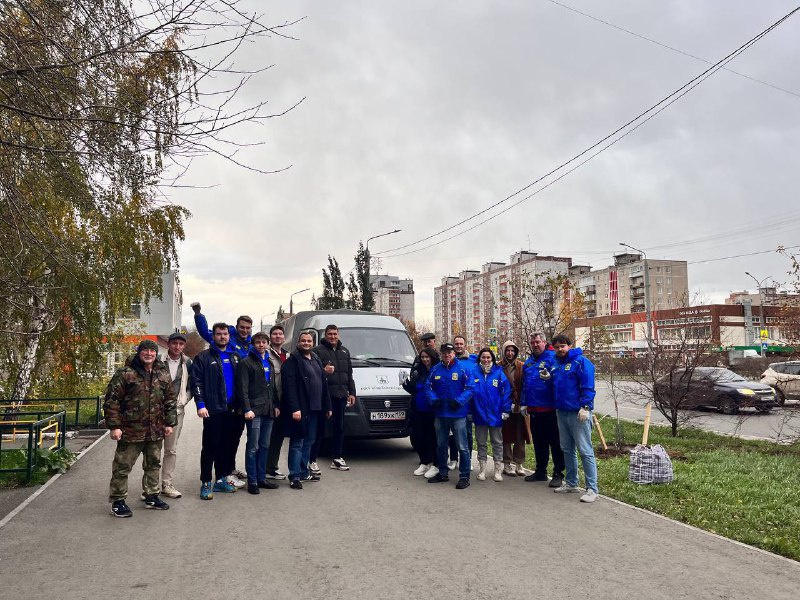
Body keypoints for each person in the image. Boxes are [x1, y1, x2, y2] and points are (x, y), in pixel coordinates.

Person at [104, 339, 177, 517]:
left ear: (155, 354)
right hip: (131, 430)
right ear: (139, 352)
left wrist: (169, 423)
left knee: (153, 464)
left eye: (152, 351)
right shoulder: (126, 373)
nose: (149, 354)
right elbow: (112, 401)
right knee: (122, 466)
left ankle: (151, 495)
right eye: (145, 351)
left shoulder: (162, 373)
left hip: (155, 430)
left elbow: (169, 400)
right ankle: (118, 500)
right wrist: (115, 426)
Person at [191, 302, 251, 485]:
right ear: (214, 336)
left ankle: (223, 477)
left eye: (225, 334)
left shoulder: (236, 355)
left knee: (228, 444)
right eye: (219, 334)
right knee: (210, 446)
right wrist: (201, 405)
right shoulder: (204, 357)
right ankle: (206, 482)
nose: (223, 336)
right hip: (213, 409)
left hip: (233, 409)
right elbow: (197, 382)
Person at [551, 334, 599, 503]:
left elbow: (588, 386)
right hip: (562, 412)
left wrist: (586, 407)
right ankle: (571, 482)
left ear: (569, 345)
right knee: (567, 449)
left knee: (585, 450)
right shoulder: (556, 364)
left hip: (578, 413)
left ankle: (592, 488)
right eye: (556, 347)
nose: (560, 349)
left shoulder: (581, 362)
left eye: (562, 346)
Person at [282, 331, 332, 489]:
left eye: (309, 341)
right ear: (298, 342)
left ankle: (304, 472)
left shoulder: (316, 359)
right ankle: (294, 475)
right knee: (297, 443)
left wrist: (328, 406)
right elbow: (289, 387)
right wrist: (295, 408)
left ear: (313, 343)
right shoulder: (293, 361)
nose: (306, 343)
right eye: (303, 341)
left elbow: (323, 384)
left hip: (316, 409)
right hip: (301, 410)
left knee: (309, 442)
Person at [236, 331, 280, 494]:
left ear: (268, 344)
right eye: (258, 342)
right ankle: (252, 481)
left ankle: (262, 478)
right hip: (253, 411)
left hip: (268, 410)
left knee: (264, 445)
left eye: (264, 342)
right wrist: (247, 409)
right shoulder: (246, 362)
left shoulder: (268, 361)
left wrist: (275, 405)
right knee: (253, 446)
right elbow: (243, 388)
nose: (261, 345)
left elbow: (273, 387)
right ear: (253, 345)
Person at [426, 342, 475, 489]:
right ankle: (443, 472)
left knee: (462, 446)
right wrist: (433, 400)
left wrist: (459, 401)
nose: (447, 355)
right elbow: (428, 387)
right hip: (441, 414)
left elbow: (470, 388)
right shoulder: (435, 369)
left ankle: (465, 476)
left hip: (458, 414)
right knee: (441, 445)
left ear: (454, 353)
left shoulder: (463, 369)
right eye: (445, 352)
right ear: (441, 354)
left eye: (450, 352)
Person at [521, 332, 564, 487]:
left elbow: (561, 379)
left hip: (550, 409)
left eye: (538, 342)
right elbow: (526, 385)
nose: (535, 345)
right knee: (539, 442)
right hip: (534, 410)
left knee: (555, 443)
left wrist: (551, 377)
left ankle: (558, 473)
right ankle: (541, 471)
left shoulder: (553, 357)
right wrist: (524, 403)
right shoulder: (529, 362)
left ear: (545, 342)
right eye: (533, 342)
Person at [311, 324, 357, 472]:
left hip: (341, 396)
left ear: (338, 335)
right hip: (325, 396)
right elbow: (312, 373)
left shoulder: (344, 351)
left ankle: (337, 457)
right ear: (325, 335)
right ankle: (312, 459)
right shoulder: (317, 351)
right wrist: (323, 371)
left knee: (339, 427)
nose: (332, 337)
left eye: (335, 334)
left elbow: (349, 374)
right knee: (320, 428)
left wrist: (352, 392)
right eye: (330, 334)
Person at [155, 332, 193, 499]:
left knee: (171, 450)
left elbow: (193, 385)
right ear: (168, 344)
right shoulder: (157, 361)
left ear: (183, 346)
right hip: (155, 412)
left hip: (176, 412)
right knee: (153, 449)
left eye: (181, 344)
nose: (177, 347)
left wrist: (184, 400)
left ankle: (167, 484)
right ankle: (151, 486)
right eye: (174, 343)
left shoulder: (188, 363)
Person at [471, 348, 512, 482]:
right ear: (479, 359)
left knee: (497, 443)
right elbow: (469, 392)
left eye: (488, 357)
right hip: (479, 414)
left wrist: (506, 410)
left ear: (492, 359)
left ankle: (497, 470)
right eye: (483, 357)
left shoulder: (499, 373)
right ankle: (482, 470)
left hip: (496, 414)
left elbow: (506, 393)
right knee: (481, 442)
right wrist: (471, 412)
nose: (486, 360)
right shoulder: (474, 373)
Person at [403, 347, 439, 478]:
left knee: (433, 438)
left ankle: (436, 464)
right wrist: (404, 384)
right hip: (419, 409)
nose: (425, 359)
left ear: (432, 357)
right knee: (419, 437)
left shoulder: (438, 369)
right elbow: (414, 389)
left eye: (427, 357)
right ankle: (425, 462)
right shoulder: (419, 371)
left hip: (433, 410)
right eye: (423, 357)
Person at [499, 340, 529, 476]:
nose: (510, 353)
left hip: (519, 404)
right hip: (504, 404)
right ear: (503, 352)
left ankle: (519, 463)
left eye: (512, 350)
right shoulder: (498, 366)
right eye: (507, 350)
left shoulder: (522, 366)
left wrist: (524, 402)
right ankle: (507, 463)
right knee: (505, 434)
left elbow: (526, 385)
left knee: (519, 434)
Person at [265, 324, 290, 480]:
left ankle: (272, 468)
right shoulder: (265, 354)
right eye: (275, 334)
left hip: (284, 403)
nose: (278, 336)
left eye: (280, 334)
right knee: (264, 439)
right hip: (269, 403)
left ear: (284, 337)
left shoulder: (288, 356)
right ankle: (260, 469)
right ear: (270, 337)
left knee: (278, 437)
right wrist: (273, 404)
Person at [451, 334, 476, 472]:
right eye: (456, 344)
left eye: (461, 343)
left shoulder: (472, 360)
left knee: (467, 434)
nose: (459, 346)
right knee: (453, 433)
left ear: (465, 345)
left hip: (467, 405)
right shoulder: (449, 360)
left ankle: (467, 460)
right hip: (453, 404)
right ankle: (453, 459)